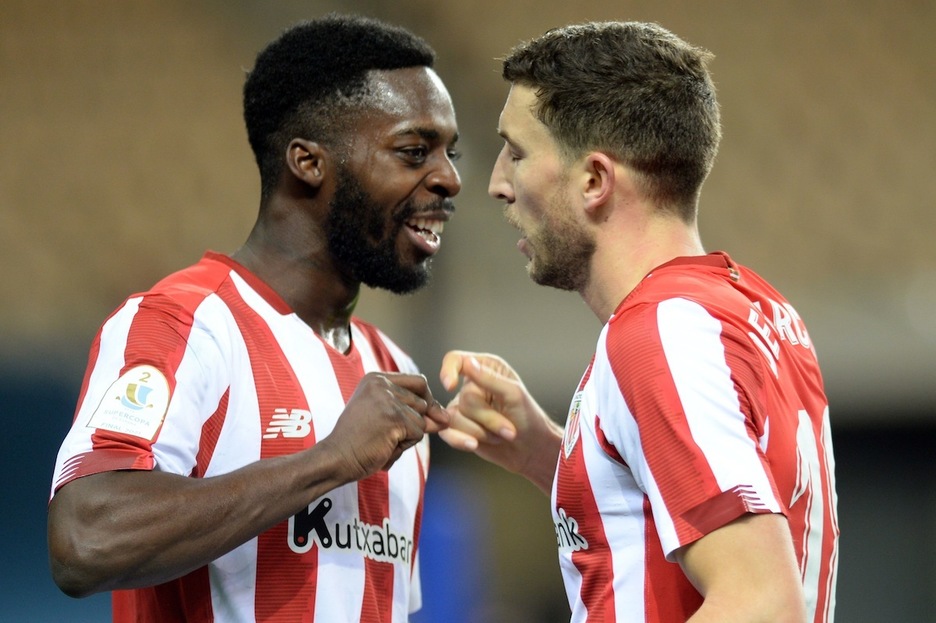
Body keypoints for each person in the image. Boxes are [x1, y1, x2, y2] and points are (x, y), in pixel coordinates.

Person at [48, 13, 461, 622]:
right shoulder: (185, 325)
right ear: (308, 162)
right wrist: (328, 461)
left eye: (452, 153)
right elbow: (86, 539)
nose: (450, 179)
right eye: (414, 151)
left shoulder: (393, 370)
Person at [438, 21, 838, 622]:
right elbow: (686, 511)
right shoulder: (754, 308)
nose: (497, 184)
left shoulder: (658, 336)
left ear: (594, 181)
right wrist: (546, 451)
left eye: (517, 153)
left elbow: (761, 602)